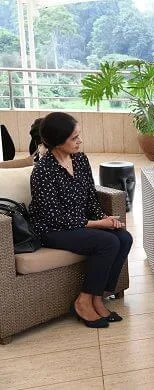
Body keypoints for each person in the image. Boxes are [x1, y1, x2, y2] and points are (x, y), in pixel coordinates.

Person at [29, 112, 133, 328]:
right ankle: (83, 301)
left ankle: (98, 297)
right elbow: (53, 217)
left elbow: (90, 197)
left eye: (79, 136)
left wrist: (104, 217)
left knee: (124, 237)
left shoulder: (80, 159)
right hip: (51, 230)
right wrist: (96, 225)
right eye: (74, 138)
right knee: (108, 242)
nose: (80, 141)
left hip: (78, 223)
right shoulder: (43, 171)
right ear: (58, 141)